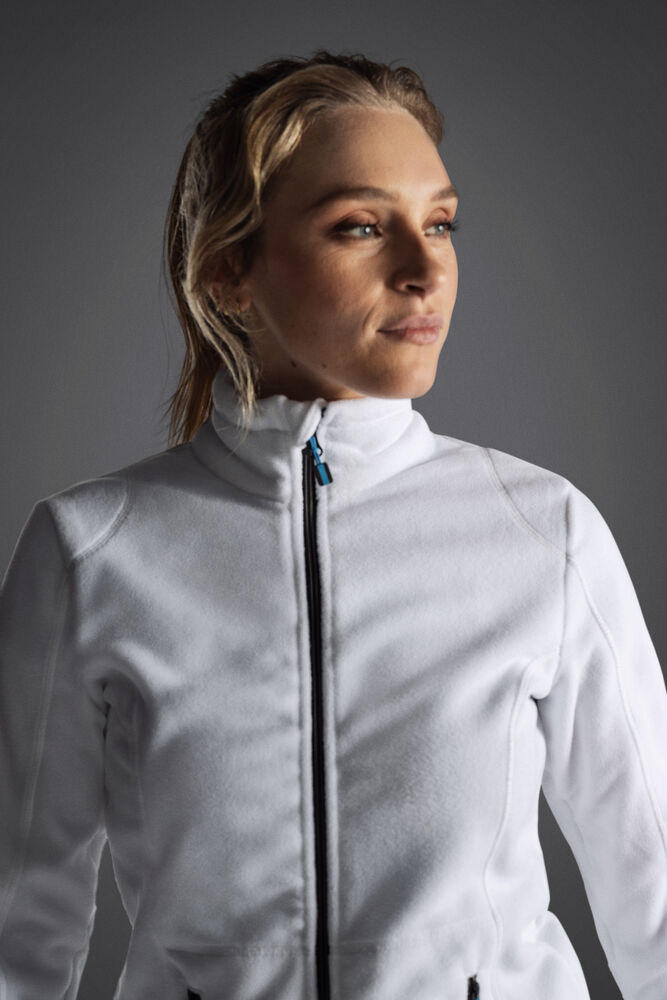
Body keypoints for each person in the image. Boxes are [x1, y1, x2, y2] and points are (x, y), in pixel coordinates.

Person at [0, 49, 665, 1000]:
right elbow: (20, 929)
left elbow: (654, 885)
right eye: (361, 226)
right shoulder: (90, 552)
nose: (425, 270)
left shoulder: (542, 531)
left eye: (440, 223)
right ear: (229, 270)